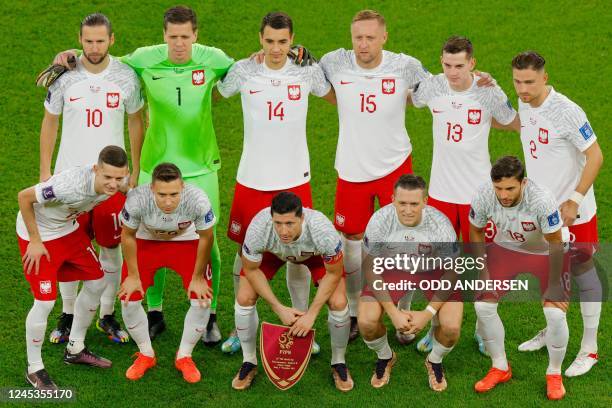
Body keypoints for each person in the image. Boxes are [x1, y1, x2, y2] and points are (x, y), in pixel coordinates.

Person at [51, 5, 234, 343]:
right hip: (154, 166)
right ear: (164, 36)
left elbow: (247, 70)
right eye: (172, 37)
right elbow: (105, 59)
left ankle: (210, 315)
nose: (179, 43)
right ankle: (155, 311)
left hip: (201, 169)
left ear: (196, 35)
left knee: (210, 245)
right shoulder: (145, 58)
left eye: (185, 37)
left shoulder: (214, 59)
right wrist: (74, 54)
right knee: (152, 236)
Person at [319, 10, 492, 340]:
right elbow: (310, 76)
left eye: (370, 37)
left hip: (395, 167)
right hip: (351, 168)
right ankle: (356, 312)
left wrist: (477, 81)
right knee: (352, 240)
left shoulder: (406, 66)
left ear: (384, 37)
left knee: (406, 239)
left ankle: (407, 312)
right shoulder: (335, 61)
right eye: (358, 37)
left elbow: (441, 87)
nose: (363, 44)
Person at [216, 11, 335, 354]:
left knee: (299, 255)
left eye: (283, 42)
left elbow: (337, 97)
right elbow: (212, 89)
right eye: (269, 41)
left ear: (292, 39)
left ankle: (300, 326)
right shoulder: (243, 70)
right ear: (260, 39)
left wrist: (318, 65)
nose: (276, 48)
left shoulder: (306, 70)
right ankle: (242, 329)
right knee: (245, 255)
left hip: (295, 177)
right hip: (252, 178)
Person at [409, 36, 517, 354]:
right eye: (446, 65)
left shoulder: (486, 91)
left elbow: (512, 121)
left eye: (459, 65)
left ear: (472, 62)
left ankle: (483, 330)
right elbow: (410, 97)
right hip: (441, 194)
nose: (452, 72)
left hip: (477, 196)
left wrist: (496, 91)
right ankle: (435, 326)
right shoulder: (432, 87)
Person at [42, 13, 144, 345]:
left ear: (111, 40)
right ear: (80, 39)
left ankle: (106, 315)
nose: (94, 47)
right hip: (69, 183)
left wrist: (136, 170)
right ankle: (69, 314)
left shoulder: (126, 76)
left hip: (112, 183)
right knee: (69, 249)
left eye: (101, 41)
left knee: (111, 249)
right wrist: (46, 173)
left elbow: (135, 123)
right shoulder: (64, 75)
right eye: (88, 41)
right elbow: (50, 123)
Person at [509, 51, 603, 378]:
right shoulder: (523, 101)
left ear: (545, 78)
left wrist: (575, 200)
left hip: (572, 212)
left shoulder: (567, 111)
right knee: (547, 268)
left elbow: (595, 156)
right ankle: (552, 328)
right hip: (541, 209)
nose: (522, 88)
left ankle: (589, 347)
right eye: (518, 81)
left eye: (530, 82)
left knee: (583, 271)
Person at [17, 146, 129, 389]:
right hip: (40, 234)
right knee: (45, 302)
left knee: (98, 281)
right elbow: (24, 197)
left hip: (68, 229)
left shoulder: (121, 182)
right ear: (96, 169)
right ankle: (34, 368)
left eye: (119, 178)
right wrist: (35, 241)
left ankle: (75, 348)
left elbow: (133, 191)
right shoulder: (70, 185)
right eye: (107, 177)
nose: (113, 184)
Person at [470, 156, 570, 400]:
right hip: (508, 249)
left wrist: (555, 285)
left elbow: (556, 242)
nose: (503, 195)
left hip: (547, 250)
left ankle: (554, 374)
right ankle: (500, 367)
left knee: (555, 311)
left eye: (510, 188)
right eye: (499, 188)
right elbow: (475, 230)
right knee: (483, 304)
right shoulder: (484, 195)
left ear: (523, 183)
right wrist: (482, 271)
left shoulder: (541, 199)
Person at [232, 192, 352, 392]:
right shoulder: (259, 226)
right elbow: (251, 270)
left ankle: (338, 362)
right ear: (271, 218)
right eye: (278, 223)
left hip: (314, 257)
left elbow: (334, 273)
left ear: (302, 217)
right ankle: (249, 362)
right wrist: (278, 308)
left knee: (339, 302)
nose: (283, 230)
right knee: (244, 297)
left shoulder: (321, 229)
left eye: (289, 223)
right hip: (273, 255)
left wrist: (312, 314)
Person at [359, 174, 461, 391]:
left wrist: (427, 314)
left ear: (425, 202)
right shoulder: (380, 220)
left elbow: (452, 273)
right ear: (392, 199)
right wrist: (393, 312)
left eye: (414, 204)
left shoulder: (440, 225)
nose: (407, 210)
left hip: (432, 271)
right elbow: (370, 268)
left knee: (451, 327)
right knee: (367, 323)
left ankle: (434, 361)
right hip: (393, 269)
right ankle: (386, 356)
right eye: (402, 203)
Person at [117, 163, 215, 383]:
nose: (168, 201)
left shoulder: (197, 200)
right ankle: (146, 354)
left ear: (183, 186)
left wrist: (198, 277)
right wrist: (133, 276)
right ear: (152, 188)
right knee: (128, 300)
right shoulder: (137, 199)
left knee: (202, 300)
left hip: (186, 241)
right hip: (146, 241)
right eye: (162, 194)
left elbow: (207, 237)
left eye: (174, 194)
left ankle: (185, 356)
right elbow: (127, 235)